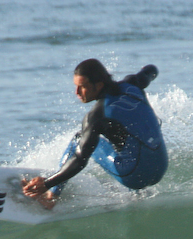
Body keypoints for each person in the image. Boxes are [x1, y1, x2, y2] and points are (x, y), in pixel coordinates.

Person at [22, 59, 168, 209]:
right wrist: (148, 70)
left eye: (82, 86)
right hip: (161, 167)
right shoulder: (133, 83)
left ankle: (51, 197)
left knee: (79, 139)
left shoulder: (96, 116)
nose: (77, 92)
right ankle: (138, 195)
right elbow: (151, 70)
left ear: (98, 85)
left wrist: (47, 183)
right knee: (125, 140)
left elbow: (80, 159)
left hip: (134, 176)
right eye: (76, 86)